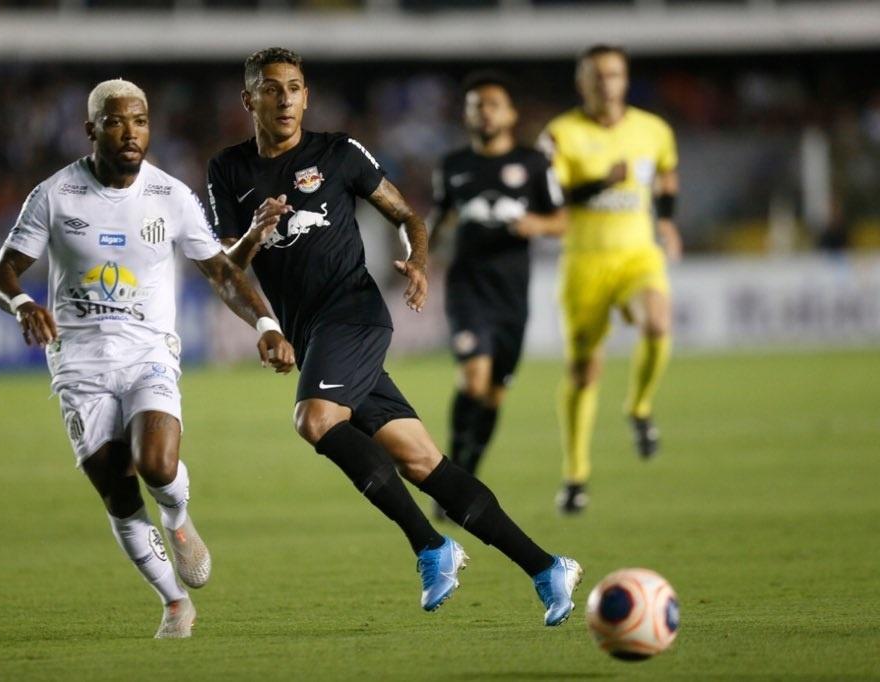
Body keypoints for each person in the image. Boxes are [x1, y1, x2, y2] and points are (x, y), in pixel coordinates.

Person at [205, 47, 581, 626]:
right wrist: (255, 235)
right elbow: (227, 267)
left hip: (354, 314)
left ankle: (431, 547)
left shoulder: (338, 152)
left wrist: (419, 261)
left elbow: (409, 216)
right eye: (272, 88)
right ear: (248, 98)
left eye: (296, 87)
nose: (285, 99)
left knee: (314, 419)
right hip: (313, 336)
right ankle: (546, 567)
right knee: (422, 459)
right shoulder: (228, 170)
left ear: (308, 96)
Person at [0, 79, 295, 639]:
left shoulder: (170, 196)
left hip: (148, 350)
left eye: (141, 121)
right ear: (92, 129)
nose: (131, 133)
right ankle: (174, 602)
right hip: (77, 362)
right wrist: (24, 302)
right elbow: (2, 271)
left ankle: (177, 518)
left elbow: (222, 271)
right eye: (117, 121)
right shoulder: (54, 195)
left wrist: (267, 325)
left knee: (155, 463)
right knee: (117, 488)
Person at [539, 45, 681, 514]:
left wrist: (668, 223)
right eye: (597, 75)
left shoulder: (653, 129)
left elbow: (666, 176)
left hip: (637, 256)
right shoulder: (561, 134)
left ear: (625, 79)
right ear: (583, 82)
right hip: (585, 264)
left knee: (658, 323)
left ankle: (639, 408)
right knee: (584, 372)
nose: (606, 83)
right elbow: (551, 196)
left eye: (614, 74)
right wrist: (602, 182)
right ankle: (576, 476)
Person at [429, 71, 566, 516]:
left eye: (491, 104)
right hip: (468, 286)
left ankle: (466, 471)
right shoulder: (452, 165)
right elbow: (437, 220)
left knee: (494, 393)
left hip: (512, 293)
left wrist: (536, 225)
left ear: (510, 113)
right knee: (473, 377)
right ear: (467, 115)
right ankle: (447, 476)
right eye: (475, 105)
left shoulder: (533, 164)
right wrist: (418, 258)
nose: (483, 111)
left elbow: (561, 220)